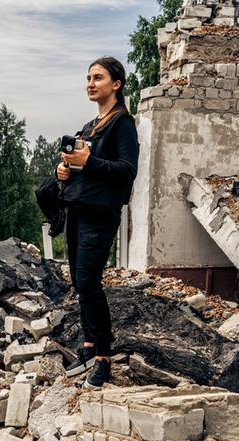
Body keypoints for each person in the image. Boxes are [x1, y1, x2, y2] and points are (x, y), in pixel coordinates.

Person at [56, 56, 139, 389]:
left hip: (101, 214)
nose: (90, 83)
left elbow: (126, 170)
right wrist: (64, 170)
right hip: (78, 209)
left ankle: (103, 359)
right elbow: (79, 166)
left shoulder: (122, 124)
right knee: (79, 281)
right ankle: (90, 347)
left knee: (89, 282)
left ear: (116, 84)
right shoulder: (89, 128)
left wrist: (88, 162)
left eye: (98, 78)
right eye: (88, 78)